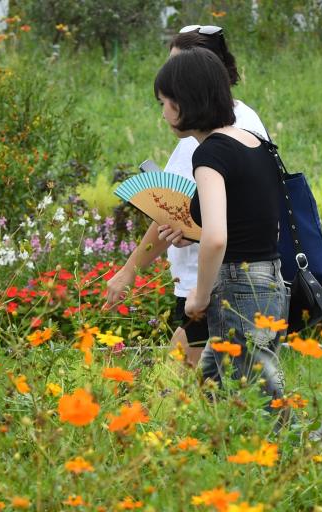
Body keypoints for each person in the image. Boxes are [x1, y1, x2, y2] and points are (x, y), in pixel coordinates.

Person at [105, 25, 268, 366]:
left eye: (179, 77)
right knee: (225, 391)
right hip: (240, 281)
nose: (171, 85)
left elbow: (204, 226)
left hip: (212, 284)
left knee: (181, 388)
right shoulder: (242, 128)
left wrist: (133, 270)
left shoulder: (211, 147)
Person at [154, 47, 287, 403]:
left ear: (185, 103)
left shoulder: (209, 154)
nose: (163, 112)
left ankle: (285, 456)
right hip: (270, 280)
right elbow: (251, 220)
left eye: (165, 102)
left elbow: (216, 238)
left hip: (236, 287)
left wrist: (199, 294)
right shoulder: (256, 144)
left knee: (261, 399)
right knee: (216, 395)